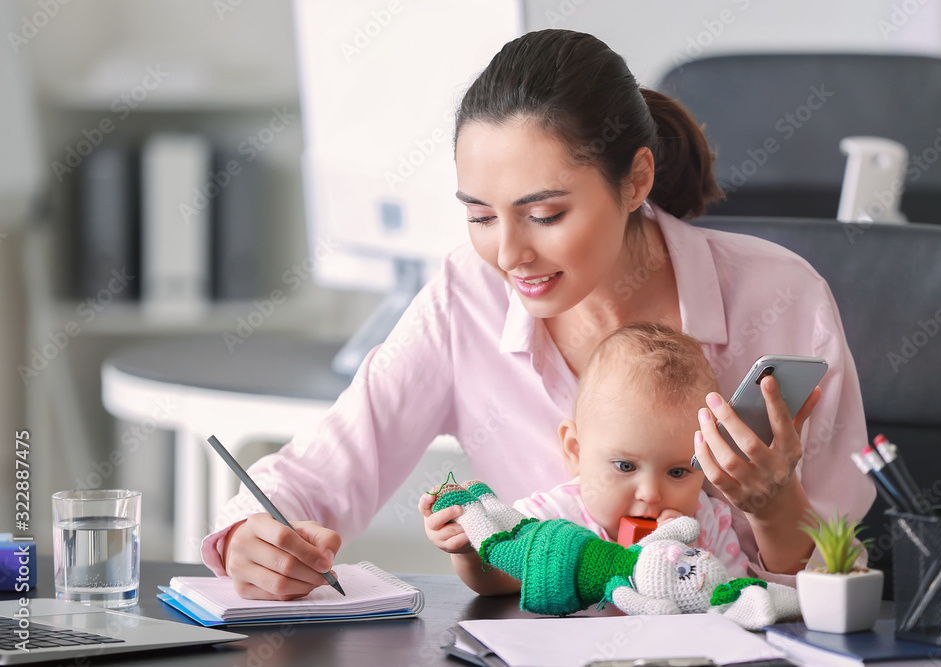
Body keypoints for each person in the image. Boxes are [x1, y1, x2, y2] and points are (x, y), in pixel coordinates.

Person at [203, 29, 874, 601]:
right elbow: (318, 474)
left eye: (545, 214)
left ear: (636, 180)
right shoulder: (467, 297)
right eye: (479, 216)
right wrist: (249, 537)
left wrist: (773, 501)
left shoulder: (781, 299)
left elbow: (834, 582)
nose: (510, 253)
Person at [419, 323, 751, 596]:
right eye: (625, 466)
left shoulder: (708, 522)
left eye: (678, 471)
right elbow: (501, 578)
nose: (650, 493)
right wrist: (467, 551)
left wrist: (679, 558)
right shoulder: (553, 516)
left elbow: (734, 596)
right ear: (576, 450)